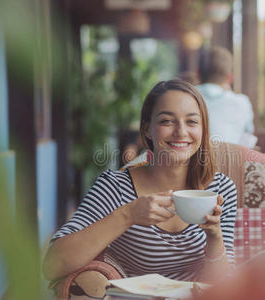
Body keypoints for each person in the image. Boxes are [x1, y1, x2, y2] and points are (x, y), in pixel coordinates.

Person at [43, 79, 237, 283]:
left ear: (203, 129)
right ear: (146, 129)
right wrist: (129, 214)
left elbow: (224, 286)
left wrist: (215, 236)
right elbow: (52, 264)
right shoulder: (116, 187)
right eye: (166, 121)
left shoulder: (221, 189)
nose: (181, 131)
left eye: (192, 122)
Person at [196, 46, 256, 148]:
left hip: (194, 161)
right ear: (229, 78)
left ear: (197, 73)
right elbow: (248, 140)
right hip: (231, 160)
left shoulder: (186, 97)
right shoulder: (242, 102)